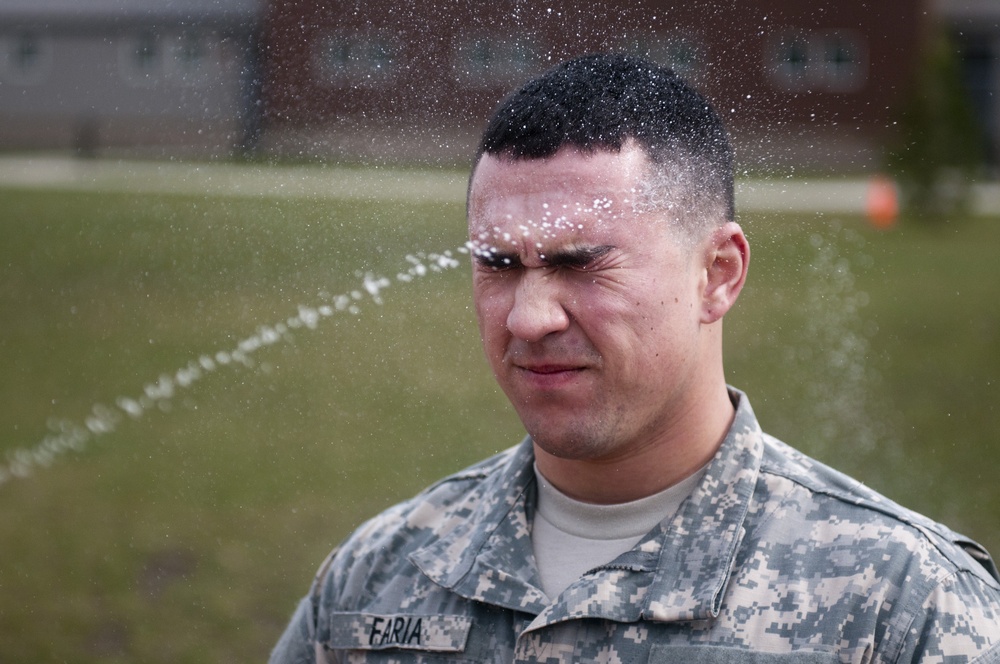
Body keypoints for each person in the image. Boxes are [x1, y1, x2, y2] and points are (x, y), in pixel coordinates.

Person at [270, 54, 1000, 663]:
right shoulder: (377, 578)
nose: (527, 318)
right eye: (497, 264)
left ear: (717, 274)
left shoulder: (900, 608)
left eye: (582, 264)